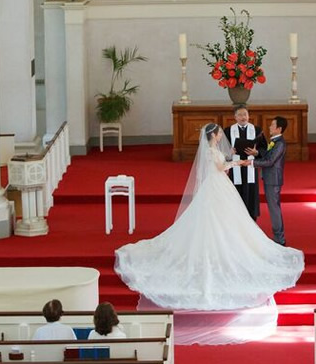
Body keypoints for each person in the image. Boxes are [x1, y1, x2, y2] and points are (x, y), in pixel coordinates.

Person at [114, 123, 304, 311]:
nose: (221, 135)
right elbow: (221, 167)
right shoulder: (211, 151)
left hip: (217, 185)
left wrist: (229, 161)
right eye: (219, 133)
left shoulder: (212, 150)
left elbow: (217, 167)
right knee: (218, 217)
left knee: (223, 218)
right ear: (213, 135)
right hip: (217, 186)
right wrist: (237, 162)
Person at [244, 116, 288, 246]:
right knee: (273, 207)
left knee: (274, 208)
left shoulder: (280, 143)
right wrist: (257, 153)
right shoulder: (274, 141)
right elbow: (268, 155)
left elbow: (270, 161)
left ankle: (279, 238)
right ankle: (278, 236)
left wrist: (251, 162)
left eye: (272, 125)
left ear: (279, 128)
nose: (269, 127)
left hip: (273, 179)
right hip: (270, 178)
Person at [224, 104, 264, 220]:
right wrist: (229, 152)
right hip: (235, 167)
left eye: (245, 114)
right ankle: (236, 219)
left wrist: (256, 152)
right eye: (240, 115)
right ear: (235, 117)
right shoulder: (228, 131)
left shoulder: (257, 130)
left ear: (249, 115)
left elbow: (264, 149)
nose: (243, 117)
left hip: (250, 166)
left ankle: (252, 218)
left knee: (251, 191)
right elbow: (223, 150)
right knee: (236, 192)